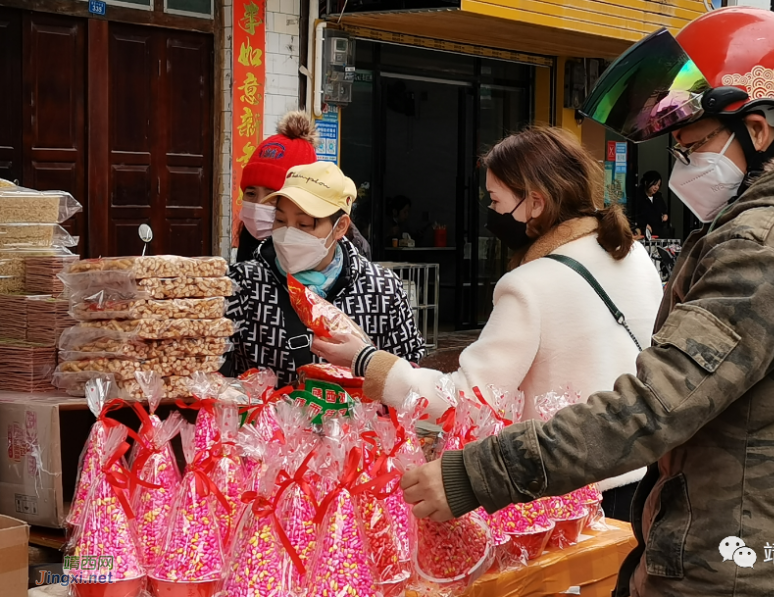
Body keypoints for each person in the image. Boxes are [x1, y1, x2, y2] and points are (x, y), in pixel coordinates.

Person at [398, 8, 774, 597]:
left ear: (758, 130)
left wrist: (476, 474)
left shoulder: (768, 249)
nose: (683, 165)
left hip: (744, 572)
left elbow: (655, 404)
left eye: (694, 146)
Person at [312, 126, 664, 521]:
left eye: (495, 200)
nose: (491, 214)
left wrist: (368, 362)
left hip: (569, 493)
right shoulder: (633, 256)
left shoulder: (530, 284)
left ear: (534, 202)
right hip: (642, 475)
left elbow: (467, 397)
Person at [224, 161, 425, 388]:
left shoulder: (382, 289)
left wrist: (364, 360)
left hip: (361, 422)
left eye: (304, 224)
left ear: (340, 227)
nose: (288, 233)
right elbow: (213, 366)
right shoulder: (243, 285)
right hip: (267, 422)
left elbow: (411, 374)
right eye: (280, 221)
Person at [235, 111, 318, 263]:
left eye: (272, 196)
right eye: (251, 193)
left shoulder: (333, 259)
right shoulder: (248, 243)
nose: (258, 205)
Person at [633, 170, 671, 238]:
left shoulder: (658, 197)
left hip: (658, 233)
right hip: (643, 233)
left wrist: (665, 215)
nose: (656, 187)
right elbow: (634, 215)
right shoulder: (637, 197)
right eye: (654, 184)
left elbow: (664, 210)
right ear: (646, 182)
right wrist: (643, 225)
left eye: (658, 185)